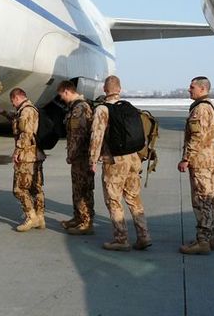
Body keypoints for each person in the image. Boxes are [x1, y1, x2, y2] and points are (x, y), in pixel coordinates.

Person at [89, 75, 151, 251]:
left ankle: (121, 238)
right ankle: (144, 235)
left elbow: (96, 136)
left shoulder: (102, 109)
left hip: (114, 160)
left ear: (104, 90)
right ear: (120, 89)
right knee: (133, 198)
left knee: (113, 199)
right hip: (133, 158)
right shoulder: (129, 108)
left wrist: (92, 160)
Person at [178, 76, 214, 255]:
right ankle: (211, 237)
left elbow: (196, 137)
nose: (189, 89)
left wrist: (186, 158)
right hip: (209, 159)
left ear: (202, 89)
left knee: (202, 200)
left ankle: (202, 241)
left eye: (192, 87)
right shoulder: (210, 105)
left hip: (201, 161)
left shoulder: (201, 109)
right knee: (210, 199)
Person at [56, 80, 95, 235]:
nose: (61, 99)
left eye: (61, 95)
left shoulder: (79, 108)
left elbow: (77, 136)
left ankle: (86, 222)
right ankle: (78, 217)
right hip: (80, 157)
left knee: (83, 189)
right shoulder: (78, 107)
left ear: (67, 91)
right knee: (77, 189)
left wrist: (71, 155)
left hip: (81, 157)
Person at [9, 88, 46, 232]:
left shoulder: (25, 111)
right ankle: (40, 217)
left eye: (13, 101)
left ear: (17, 98)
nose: (13, 104)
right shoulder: (30, 109)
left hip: (27, 156)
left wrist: (17, 151)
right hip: (36, 154)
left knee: (19, 188)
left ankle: (31, 217)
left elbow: (25, 133)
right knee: (36, 188)